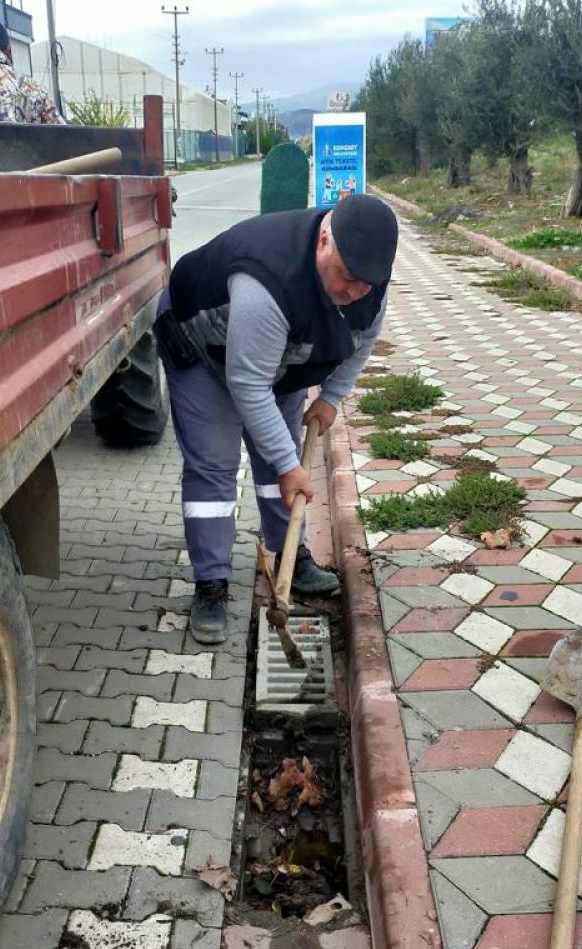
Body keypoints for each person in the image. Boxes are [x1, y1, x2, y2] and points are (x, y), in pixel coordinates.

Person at [155, 193, 399, 645]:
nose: (353, 292)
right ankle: (211, 583)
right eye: (345, 277)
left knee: (279, 463)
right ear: (324, 238)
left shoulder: (369, 283)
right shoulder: (266, 281)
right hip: (202, 349)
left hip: (283, 361)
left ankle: (292, 554)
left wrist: (330, 398)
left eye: (364, 284)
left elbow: (362, 340)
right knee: (215, 464)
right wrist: (290, 465)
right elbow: (248, 384)